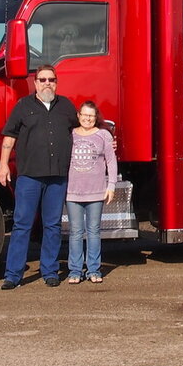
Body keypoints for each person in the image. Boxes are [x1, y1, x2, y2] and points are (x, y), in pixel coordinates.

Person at [0, 65, 78, 290]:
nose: (47, 83)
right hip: (29, 176)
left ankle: (50, 271)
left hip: (57, 176)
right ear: (35, 83)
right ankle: (13, 275)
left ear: (57, 82)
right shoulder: (23, 106)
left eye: (51, 79)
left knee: (52, 225)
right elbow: (9, 136)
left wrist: (106, 139)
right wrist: (3, 164)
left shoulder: (66, 107)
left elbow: (82, 130)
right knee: (22, 224)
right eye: (42, 80)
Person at [65, 100, 117, 284]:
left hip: (96, 192)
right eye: (84, 115)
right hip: (73, 192)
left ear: (96, 118)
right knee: (76, 232)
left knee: (94, 231)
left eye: (91, 115)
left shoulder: (104, 135)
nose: (87, 118)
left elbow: (111, 161)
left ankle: (94, 270)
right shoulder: (70, 135)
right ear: (78, 115)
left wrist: (111, 186)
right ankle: (75, 271)